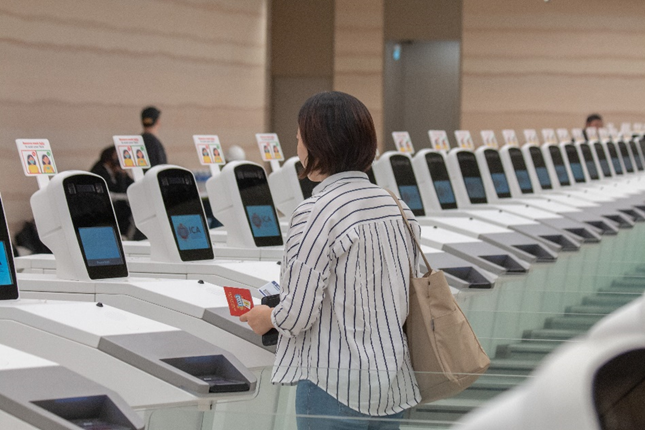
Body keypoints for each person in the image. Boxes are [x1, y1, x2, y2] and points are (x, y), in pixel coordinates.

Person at [240, 91, 421, 429]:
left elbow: (298, 314)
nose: (297, 149)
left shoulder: (315, 213)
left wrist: (267, 315)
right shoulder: (396, 206)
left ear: (317, 147)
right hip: (393, 381)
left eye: (299, 140)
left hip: (335, 386)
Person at [90, 146, 134, 237]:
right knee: (124, 210)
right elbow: (117, 189)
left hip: (115, 202)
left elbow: (131, 185)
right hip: (102, 205)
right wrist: (120, 175)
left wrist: (124, 174)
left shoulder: (115, 171)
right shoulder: (100, 170)